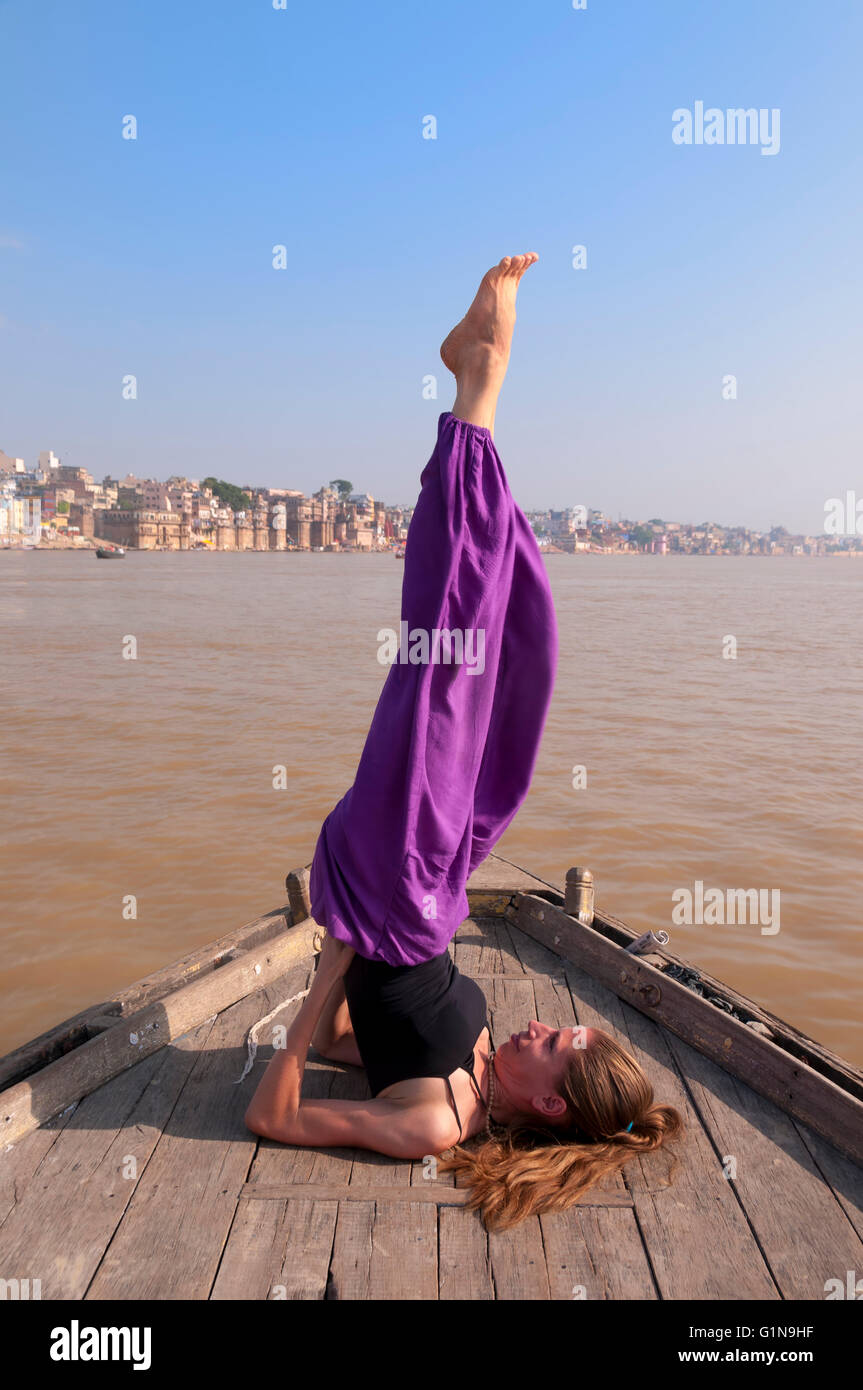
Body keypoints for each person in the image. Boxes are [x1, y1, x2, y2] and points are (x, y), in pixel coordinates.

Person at [244, 255, 683, 1230]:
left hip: (384, 893)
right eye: (560, 1027)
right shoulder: (476, 1070)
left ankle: (474, 399)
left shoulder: (438, 1121)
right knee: (511, 681)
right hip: (424, 895)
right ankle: (470, 400)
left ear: (549, 1101)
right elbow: (365, 1043)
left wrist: (323, 971)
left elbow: (271, 1117)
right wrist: (346, 1019)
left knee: (444, 673)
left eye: (553, 1044)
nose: (538, 1022)